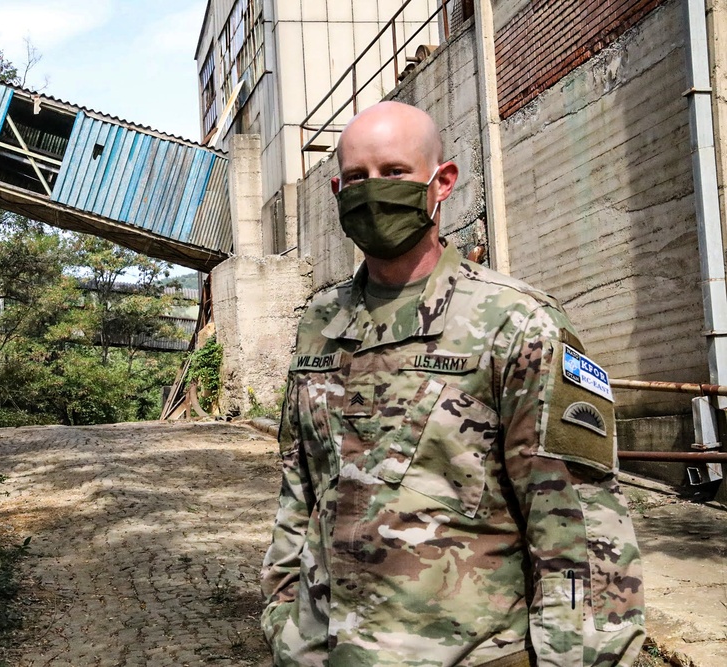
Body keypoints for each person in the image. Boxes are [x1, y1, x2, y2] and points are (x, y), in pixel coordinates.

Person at [260, 101, 645, 667]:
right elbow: (301, 487)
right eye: (357, 179)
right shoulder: (320, 322)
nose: (374, 192)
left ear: (442, 182)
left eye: (394, 173)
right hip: (323, 650)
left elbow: (577, 528)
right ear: (337, 191)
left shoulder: (516, 322)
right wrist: (283, 614)